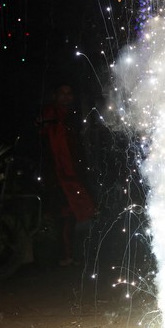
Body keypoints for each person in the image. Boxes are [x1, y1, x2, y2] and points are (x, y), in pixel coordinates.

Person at [39, 84, 95, 266]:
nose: (66, 97)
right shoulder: (50, 115)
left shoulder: (76, 114)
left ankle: (79, 255)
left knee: (79, 212)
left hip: (76, 169)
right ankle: (67, 255)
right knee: (65, 214)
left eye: (69, 93)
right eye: (62, 93)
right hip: (58, 172)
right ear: (55, 95)